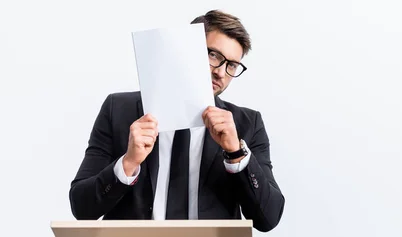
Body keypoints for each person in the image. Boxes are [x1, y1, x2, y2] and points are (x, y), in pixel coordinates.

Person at [68, 10, 285, 232]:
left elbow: (267, 219)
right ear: (184, 50)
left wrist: (236, 154)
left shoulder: (248, 124)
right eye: (214, 55)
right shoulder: (119, 110)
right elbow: (82, 208)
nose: (221, 72)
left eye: (231, 65)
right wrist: (128, 163)